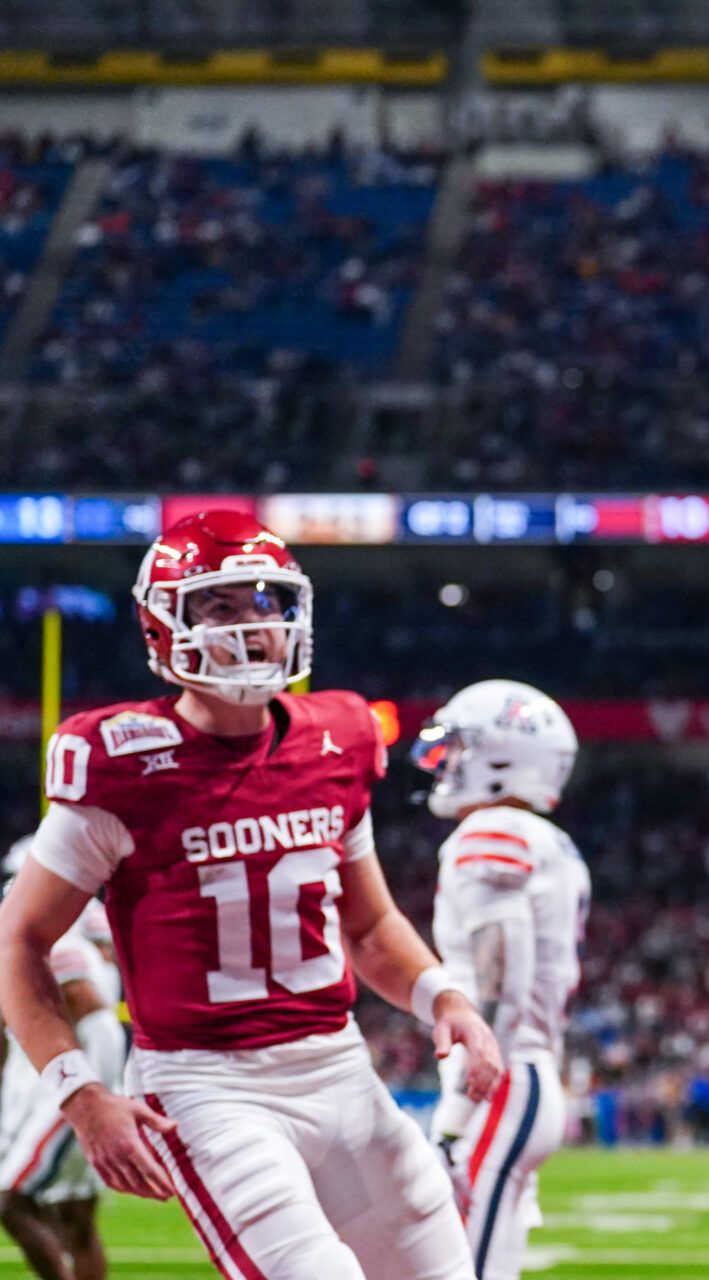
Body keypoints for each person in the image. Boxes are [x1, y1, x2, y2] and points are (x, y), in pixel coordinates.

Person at [0, 510, 503, 1280]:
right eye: (220, 605)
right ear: (166, 625)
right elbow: (22, 938)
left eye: (265, 602)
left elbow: (368, 929)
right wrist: (79, 1093)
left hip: (339, 1065)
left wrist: (445, 1000)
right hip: (208, 1087)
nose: (253, 625)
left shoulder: (337, 736)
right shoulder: (119, 762)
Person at [416, 680, 587, 1280]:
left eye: (460, 747)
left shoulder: (494, 833)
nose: (447, 760)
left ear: (502, 757)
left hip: (504, 1074)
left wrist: (463, 1099)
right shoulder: (549, 841)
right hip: (526, 1073)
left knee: (464, 1267)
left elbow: (502, 977)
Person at [0, 840, 121, 1280]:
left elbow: (88, 1014)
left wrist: (85, 1091)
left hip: (67, 1083)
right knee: (75, 1215)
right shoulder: (84, 933)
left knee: (10, 1198)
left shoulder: (55, 939)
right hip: (64, 1079)